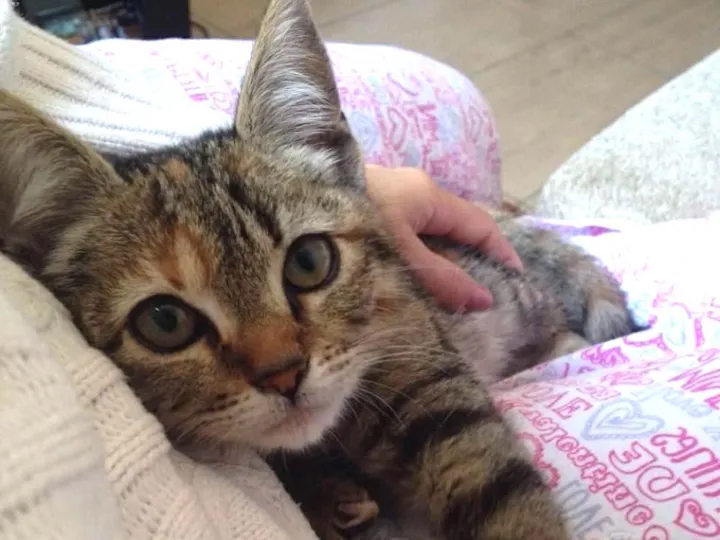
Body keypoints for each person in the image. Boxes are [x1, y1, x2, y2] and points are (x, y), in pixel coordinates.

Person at [0, 0, 519, 313]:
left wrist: (318, 180)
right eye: (167, 321)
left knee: (450, 97)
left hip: (66, 80)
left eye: (307, 265)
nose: (280, 367)